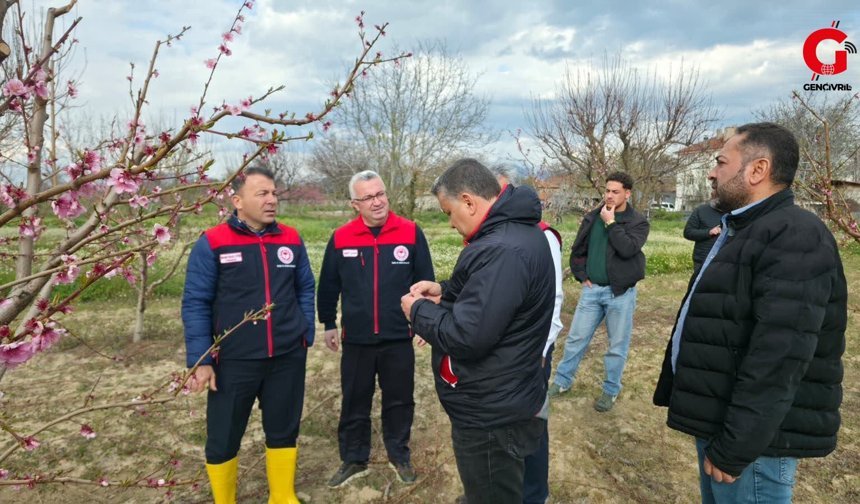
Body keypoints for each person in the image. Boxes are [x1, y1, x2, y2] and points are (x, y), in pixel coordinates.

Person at [653, 122, 847, 503]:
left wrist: (738, 444)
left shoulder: (794, 234)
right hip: (725, 422)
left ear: (758, 170)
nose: (711, 172)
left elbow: (780, 355)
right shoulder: (747, 228)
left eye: (721, 162)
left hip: (755, 444)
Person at [401, 158, 554, 504]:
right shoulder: (512, 234)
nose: (451, 223)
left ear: (469, 201)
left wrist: (419, 311)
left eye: (448, 212)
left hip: (491, 415)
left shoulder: (501, 250)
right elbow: (491, 297)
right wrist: (444, 291)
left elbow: (466, 337)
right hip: (502, 397)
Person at [181, 166, 315, 504]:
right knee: (224, 436)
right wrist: (202, 359)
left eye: (274, 193)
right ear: (238, 200)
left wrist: (304, 331)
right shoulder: (212, 242)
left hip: (287, 356)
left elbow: (305, 288)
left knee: (284, 429)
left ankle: (282, 496)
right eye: (262, 194)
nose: (272, 200)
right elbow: (196, 302)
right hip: (234, 361)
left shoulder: (291, 239)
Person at [318, 170, 434, 488]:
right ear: (355, 204)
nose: (377, 201)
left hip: (398, 337)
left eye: (380, 193)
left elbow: (425, 280)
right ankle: (355, 459)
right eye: (368, 197)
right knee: (355, 400)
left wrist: (425, 323)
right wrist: (328, 322)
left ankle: (399, 455)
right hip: (356, 339)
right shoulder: (341, 238)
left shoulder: (410, 232)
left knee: (400, 399)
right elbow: (328, 284)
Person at [490, 164, 564, 504]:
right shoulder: (490, 236)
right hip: (500, 355)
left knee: (532, 427)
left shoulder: (542, 235)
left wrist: (540, 351)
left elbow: (553, 300)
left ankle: (535, 494)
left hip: (532, 354)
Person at [548, 172, 649, 413]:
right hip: (592, 292)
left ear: (628, 193)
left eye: (616, 191)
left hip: (620, 293)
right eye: (607, 191)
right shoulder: (592, 217)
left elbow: (627, 249)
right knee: (575, 339)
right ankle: (562, 382)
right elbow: (578, 249)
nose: (610, 196)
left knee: (617, 346)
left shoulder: (637, 222)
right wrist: (582, 275)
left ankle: (610, 390)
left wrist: (611, 223)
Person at [683, 200, 725, 275]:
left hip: (726, 262)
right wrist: (709, 232)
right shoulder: (701, 210)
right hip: (702, 260)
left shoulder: (735, 212)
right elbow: (688, 232)